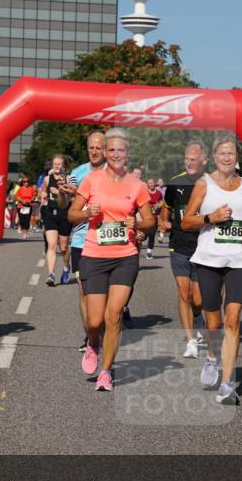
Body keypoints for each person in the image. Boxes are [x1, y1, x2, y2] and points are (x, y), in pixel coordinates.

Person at [67, 129, 154, 391]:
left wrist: (137, 222)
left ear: (127, 154)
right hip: (93, 255)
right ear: (105, 153)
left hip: (125, 256)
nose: (116, 154)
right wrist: (86, 213)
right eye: (111, 150)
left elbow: (150, 222)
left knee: (113, 315)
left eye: (121, 150)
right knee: (95, 321)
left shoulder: (137, 186)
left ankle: (106, 371)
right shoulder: (91, 180)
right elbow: (71, 214)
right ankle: (93, 342)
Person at [182, 134, 242, 405]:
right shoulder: (203, 185)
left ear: (237, 157)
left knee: (233, 319)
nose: (227, 158)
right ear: (214, 157)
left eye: (231, 153)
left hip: (239, 260)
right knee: (214, 321)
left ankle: (228, 384)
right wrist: (210, 218)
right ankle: (212, 358)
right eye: (222, 154)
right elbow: (186, 222)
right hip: (209, 259)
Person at [160, 141, 207, 358]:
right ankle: (190, 340)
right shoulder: (175, 183)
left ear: (204, 161)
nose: (188, 162)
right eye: (186, 158)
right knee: (183, 292)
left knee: (198, 299)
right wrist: (163, 220)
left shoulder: (210, 184)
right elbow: (166, 206)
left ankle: (198, 316)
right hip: (179, 244)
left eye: (193, 158)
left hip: (203, 246)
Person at [68, 129, 106, 352]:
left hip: (107, 239)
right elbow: (66, 206)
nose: (94, 151)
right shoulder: (77, 172)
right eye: (91, 147)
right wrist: (66, 193)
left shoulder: (115, 173)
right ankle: (90, 336)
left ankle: (102, 328)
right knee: (83, 289)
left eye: (98, 147)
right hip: (81, 238)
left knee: (103, 292)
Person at [40, 154, 74, 285]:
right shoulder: (48, 179)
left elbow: (72, 196)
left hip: (65, 215)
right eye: (55, 164)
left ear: (64, 165)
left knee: (64, 247)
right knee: (52, 245)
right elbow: (42, 191)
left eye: (60, 164)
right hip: (50, 214)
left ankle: (66, 267)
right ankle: (51, 275)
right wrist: (43, 195)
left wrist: (60, 192)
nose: (57, 166)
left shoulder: (69, 179)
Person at [144, 178, 163, 259]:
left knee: (152, 234)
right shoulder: (144, 193)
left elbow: (162, 201)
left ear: (154, 184)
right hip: (144, 216)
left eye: (152, 183)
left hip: (154, 216)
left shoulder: (158, 193)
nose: (151, 184)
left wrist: (159, 205)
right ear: (147, 184)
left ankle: (149, 251)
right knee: (143, 234)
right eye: (149, 183)